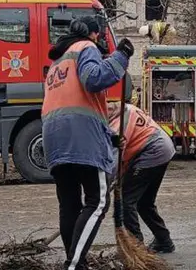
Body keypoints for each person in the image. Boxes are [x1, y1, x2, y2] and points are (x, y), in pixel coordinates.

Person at [42, 16, 134, 270]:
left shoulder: (57, 62)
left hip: (55, 138)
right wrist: (121, 56)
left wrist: (108, 136)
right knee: (97, 201)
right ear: (94, 34)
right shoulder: (86, 47)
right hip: (81, 138)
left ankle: (74, 261)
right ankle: (74, 264)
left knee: (69, 203)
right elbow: (94, 79)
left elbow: (76, 101)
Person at [107, 101, 176, 253]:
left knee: (127, 200)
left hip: (152, 152)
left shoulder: (118, 124)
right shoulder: (128, 109)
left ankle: (136, 247)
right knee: (145, 202)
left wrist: (102, 189)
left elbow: (114, 160)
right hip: (163, 149)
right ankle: (164, 240)